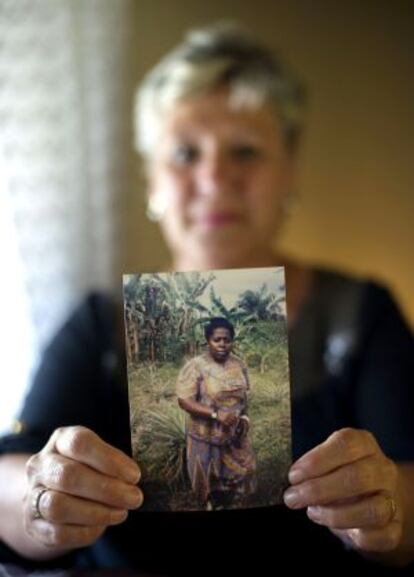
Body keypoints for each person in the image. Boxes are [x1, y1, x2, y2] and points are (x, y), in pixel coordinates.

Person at [0, 21, 413, 575]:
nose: (216, 177)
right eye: (185, 152)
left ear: (290, 169)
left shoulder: (358, 316)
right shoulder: (103, 324)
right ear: (151, 178)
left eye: (246, 151)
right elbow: (10, 473)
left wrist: (389, 507)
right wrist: (40, 501)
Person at [176, 317, 256, 510]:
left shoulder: (239, 365)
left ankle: (234, 503)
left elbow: (244, 397)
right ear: (207, 340)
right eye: (217, 339)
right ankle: (208, 505)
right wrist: (215, 413)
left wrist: (244, 417)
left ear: (232, 341)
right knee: (205, 482)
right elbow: (184, 400)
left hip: (234, 434)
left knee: (246, 471)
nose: (222, 344)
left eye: (226, 340)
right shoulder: (196, 366)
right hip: (204, 434)